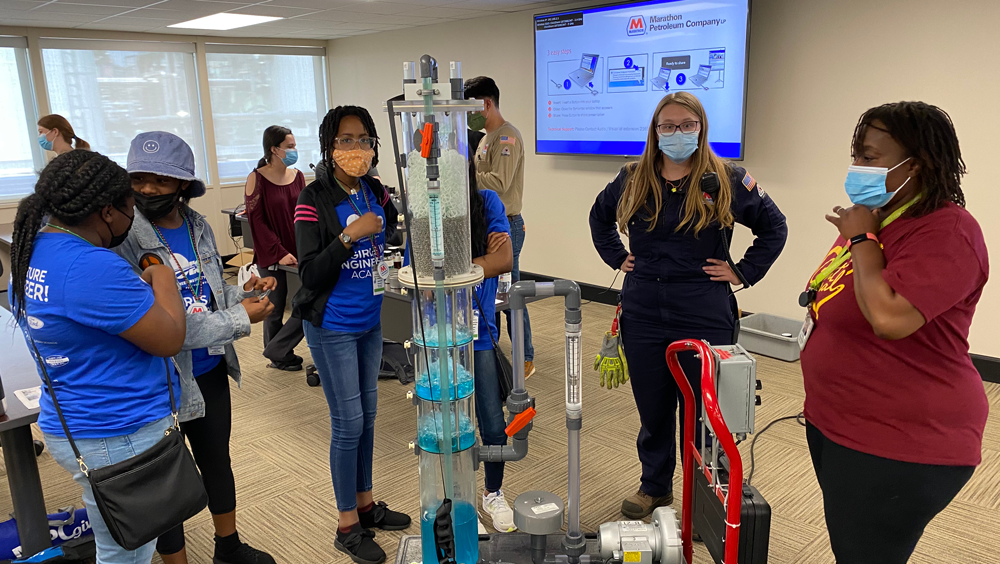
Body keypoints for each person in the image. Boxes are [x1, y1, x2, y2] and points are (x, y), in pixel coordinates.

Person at [799, 102, 989, 563]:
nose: (856, 168)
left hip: (902, 441)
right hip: (841, 420)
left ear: (916, 166)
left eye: (869, 157)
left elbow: (889, 318)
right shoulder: (879, 216)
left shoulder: (948, 231)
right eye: (856, 156)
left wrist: (862, 239)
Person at [589, 92, 787, 519]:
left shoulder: (727, 178)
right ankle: (654, 487)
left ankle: (706, 501)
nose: (676, 133)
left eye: (685, 125)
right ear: (654, 131)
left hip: (702, 309)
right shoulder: (633, 176)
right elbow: (599, 217)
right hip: (643, 309)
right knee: (654, 408)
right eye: (667, 126)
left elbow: (775, 227)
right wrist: (614, 256)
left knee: (704, 413)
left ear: (701, 128)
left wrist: (742, 271)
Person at [9, 149, 186, 564]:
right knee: (126, 552)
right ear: (107, 212)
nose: (134, 216)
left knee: (122, 542)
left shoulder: (36, 249)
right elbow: (170, 337)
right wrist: (163, 277)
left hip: (79, 420)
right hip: (116, 430)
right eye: (130, 207)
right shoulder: (91, 267)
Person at [114, 131, 278, 564]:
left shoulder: (197, 225)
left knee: (215, 460)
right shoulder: (125, 238)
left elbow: (208, 293)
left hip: (209, 370)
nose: (147, 189)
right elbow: (163, 329)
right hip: (161, 376)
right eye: (139, 179)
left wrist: (242, 295)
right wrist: (242, 319)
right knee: (167, 478)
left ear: (183, 184)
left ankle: (228, 546)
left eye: (161, 181)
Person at [294, 106, 409, 564]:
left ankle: (365, 505)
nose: (356, 149)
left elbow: (393, 229)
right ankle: (346, 525)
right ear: (329, 146)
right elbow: (308, 272)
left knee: (369, 416)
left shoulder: (374, 190)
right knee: (348, 424)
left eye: (364, 140)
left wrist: (385, 224)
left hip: (370, 319)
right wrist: (348, 237)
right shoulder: (312, 197)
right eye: (346, 140)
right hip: (332, 324)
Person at [464, 76, 536, 379]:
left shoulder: (508, 137)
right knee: (497, 294)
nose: (468, 116)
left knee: (511, 295)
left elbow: (499, 182)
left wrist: (465, 175)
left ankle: (526, 356)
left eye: (470, 108)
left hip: (506, 224)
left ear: (487, 103)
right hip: (488, 222)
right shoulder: (485, 138)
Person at [468, 162, 517, 533]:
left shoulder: (488, 202)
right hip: (440, 336)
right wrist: (481, 261)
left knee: (494, 427)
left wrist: (463, 266)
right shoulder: (427, 213)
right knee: (448, 426)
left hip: (480, 333)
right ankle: (459, 502)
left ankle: (492, 492)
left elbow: (504, 260)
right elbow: (418, 270)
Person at [245, 125, 307, 371]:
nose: (294, 150)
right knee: (274, 306)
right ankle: (278, 356)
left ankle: (278, 349)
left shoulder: (298, 176)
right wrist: (280, 251)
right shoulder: (256, 178)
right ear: (274, 149)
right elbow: (256, 223)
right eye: (289, 147)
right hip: (272, 252)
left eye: (294, 146)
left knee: (306, 301)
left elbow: (305, 215)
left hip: (299, 249)